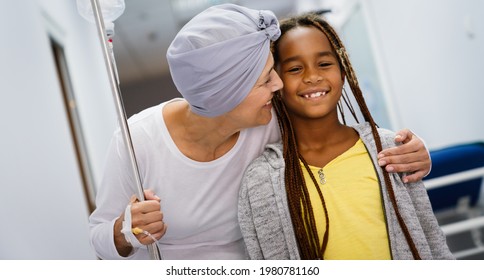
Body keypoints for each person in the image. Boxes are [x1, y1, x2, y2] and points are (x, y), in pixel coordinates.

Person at [89, 4, 432, 260]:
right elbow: (99, 236)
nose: (279, 84)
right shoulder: (137, 142)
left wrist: (412, 149)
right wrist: (125, 230)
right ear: (226, 94)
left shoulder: (270, 119)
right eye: (266, 78)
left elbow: (340, 138)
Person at [237, 13, 453, 260]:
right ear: (275, 81)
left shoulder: (389, 149)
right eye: (295, 68)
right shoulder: (261, 179)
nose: (312, 76)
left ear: (343, 71)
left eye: (324, 64)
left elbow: (431, 238)